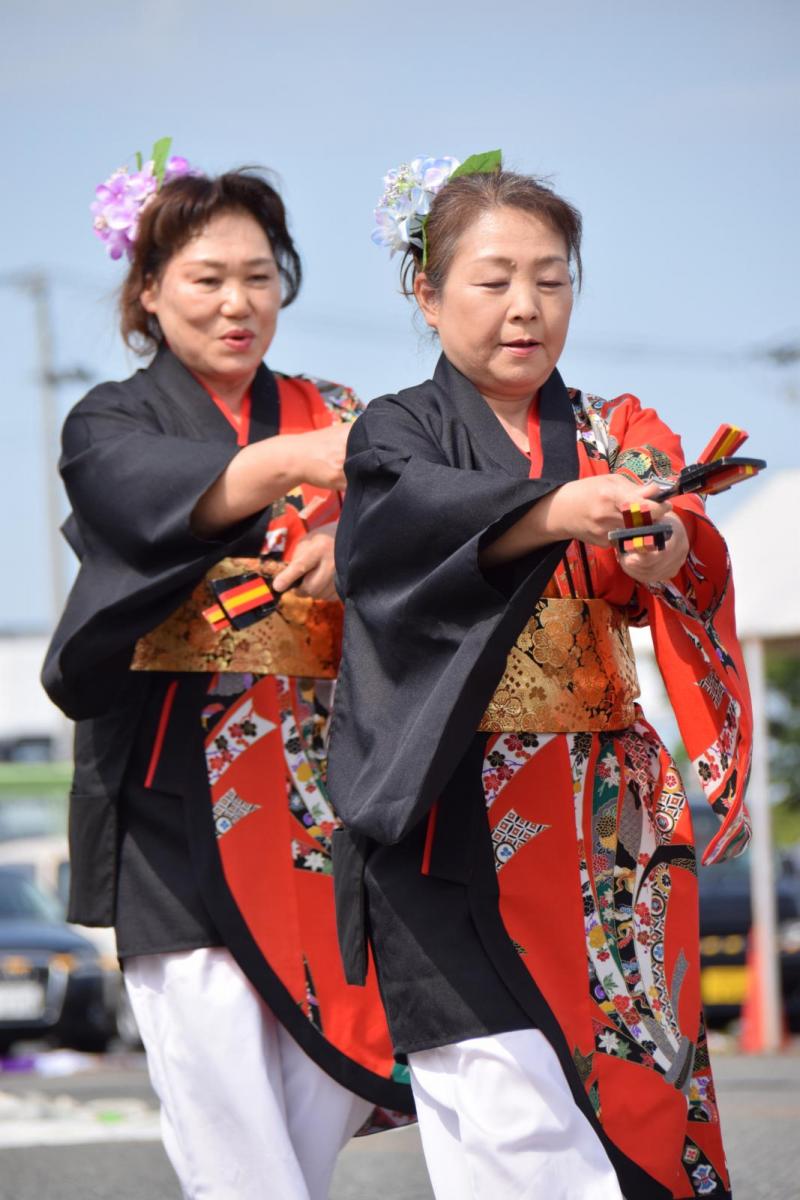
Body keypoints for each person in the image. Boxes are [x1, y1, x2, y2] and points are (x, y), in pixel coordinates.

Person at [328, 153, 751, 1199]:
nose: (525, 308)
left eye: (551, 279)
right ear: (423, 295)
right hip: (447, 816)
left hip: (608, 830)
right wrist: (549, 513)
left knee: (636, 1097)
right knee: (506, 1119)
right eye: (493, 279)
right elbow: (399, 535)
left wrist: (662, 549)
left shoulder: (615, 426)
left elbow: (669, 513)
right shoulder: (396, 434)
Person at [42, 148, 412, 1200]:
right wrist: (302, 464)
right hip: (174, 810)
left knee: (312, 1100)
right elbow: (139, 501)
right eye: (206, 278)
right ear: (148, 290)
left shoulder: (335, 407)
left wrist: (355, 547)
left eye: (260, 275)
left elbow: (426, 520)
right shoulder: (109, 422)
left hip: (326, 802)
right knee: (226, 1116)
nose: (237, 302)